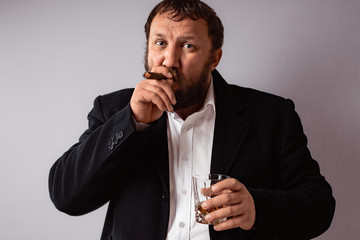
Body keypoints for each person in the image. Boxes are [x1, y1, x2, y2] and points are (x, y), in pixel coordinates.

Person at [48, 0, 335, 239]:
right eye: (160, 43)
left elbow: (319, 206)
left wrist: (256, 208)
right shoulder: (114, 110)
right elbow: (66, 196)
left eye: (187, 46)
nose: (169, 60)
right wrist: (131, 122)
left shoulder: (271, 115)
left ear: (214, 58)